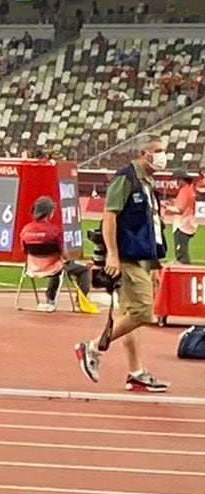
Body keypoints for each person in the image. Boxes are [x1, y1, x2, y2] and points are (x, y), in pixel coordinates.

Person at [75, 136, 169, 393]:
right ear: (143, 153)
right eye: (158, 151)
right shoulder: (126, 179)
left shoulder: (147, 184)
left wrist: (154, 265)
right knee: (142, 311)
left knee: (130, 315)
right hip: (126, 258)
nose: (163, 156)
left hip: (142, 258)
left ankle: (136, 372)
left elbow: (151, 228)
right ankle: (92, 347)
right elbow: (109, 217)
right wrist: (113, 256)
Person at [19, 195, 94, 312]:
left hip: (32, 268)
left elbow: (24, 250)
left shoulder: (25, 230)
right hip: (54, 267)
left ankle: (50, 298)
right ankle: (81, 302)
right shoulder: (54, 231)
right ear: (49, 212)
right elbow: (64, 255)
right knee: (83, 269)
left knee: (56, 265)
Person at [165, 168, 199, 264]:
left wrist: (166, 208)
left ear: (180, 180)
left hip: (182, 225)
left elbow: (180, 210)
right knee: (182, 252)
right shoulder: (190, 190)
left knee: (181, 254)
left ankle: (185, 270)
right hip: (188, 224)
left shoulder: (184, 191)